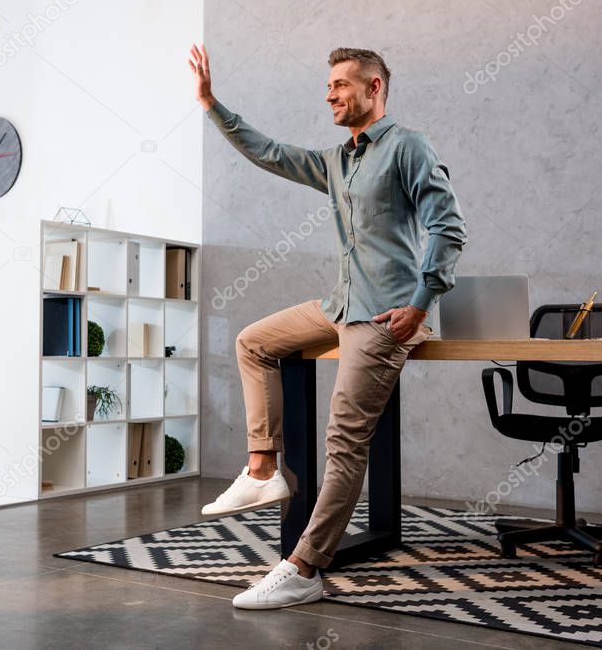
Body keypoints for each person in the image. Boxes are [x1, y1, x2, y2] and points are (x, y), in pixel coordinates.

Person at [188, 44, 467, 610]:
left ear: (374, 89)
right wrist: (212, 104)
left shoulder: (409, 147)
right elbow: (270, 153)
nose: (330, 94)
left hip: (387, 313)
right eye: (329, 85)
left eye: (341, 84)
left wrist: (418, 305)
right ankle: (264, 468)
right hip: (342, 304)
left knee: (344, 442)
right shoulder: (338, 161)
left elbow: (449, 228)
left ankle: (305, 568)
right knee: (254, 342)